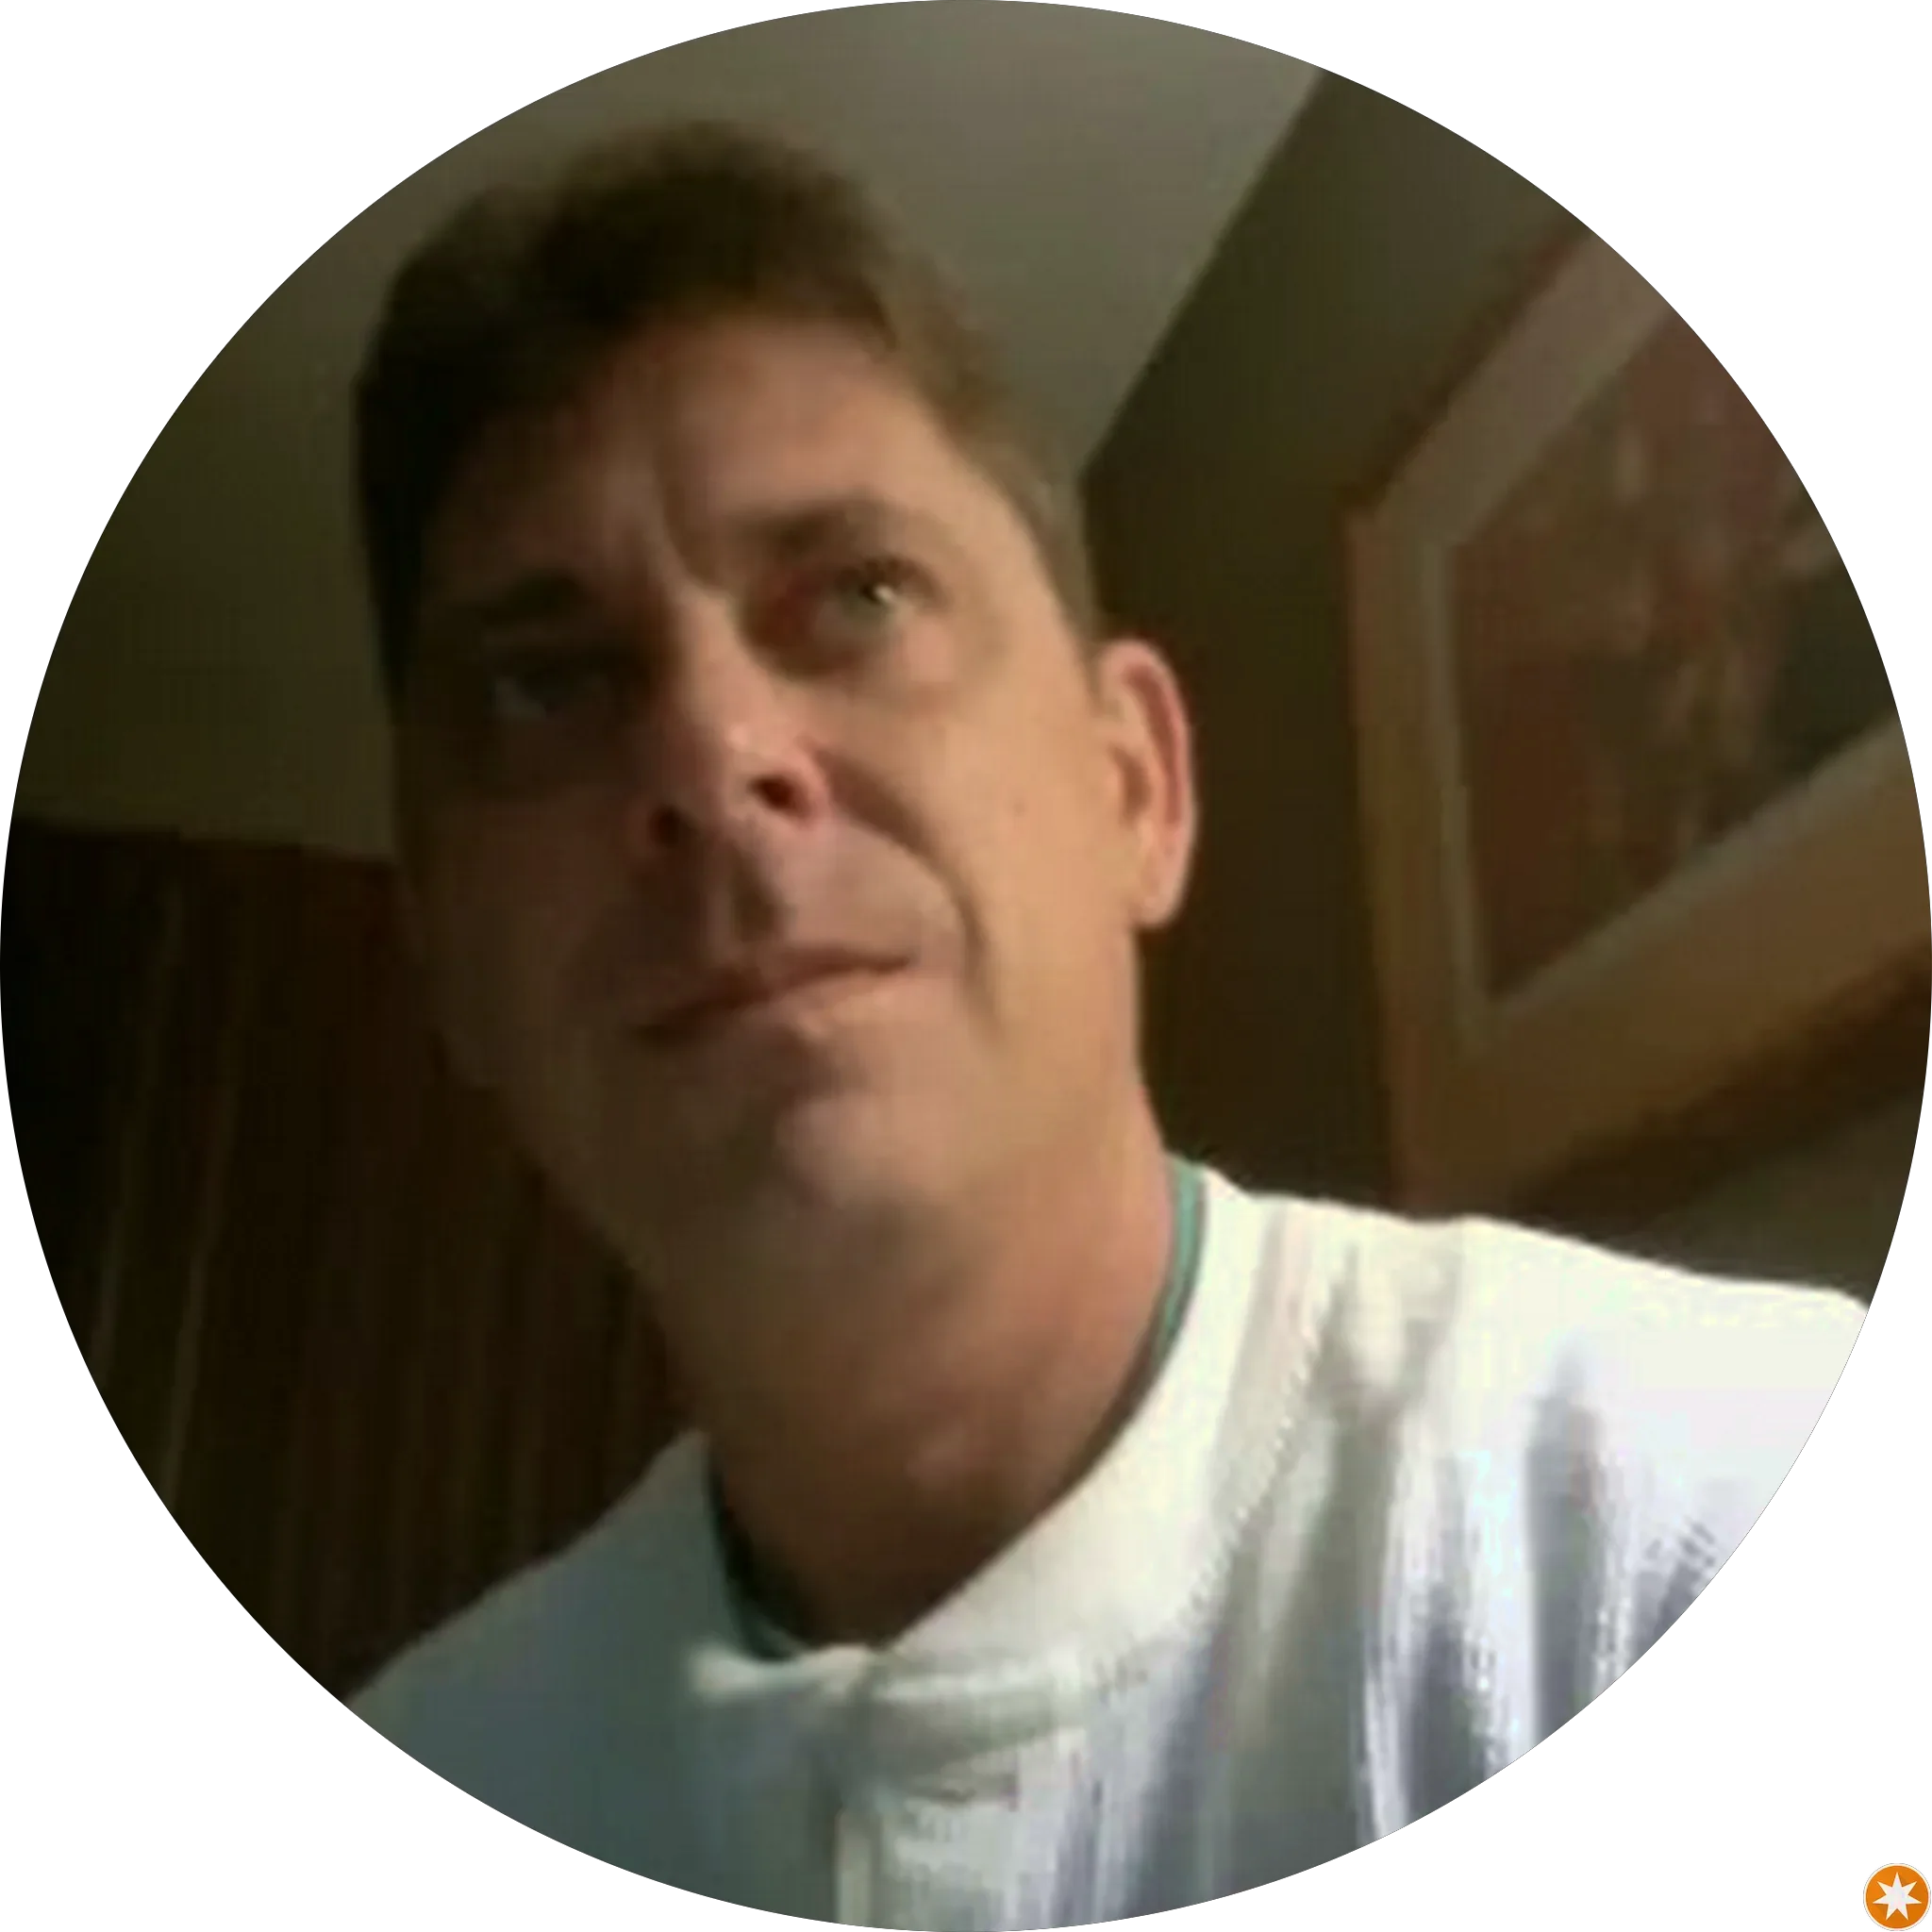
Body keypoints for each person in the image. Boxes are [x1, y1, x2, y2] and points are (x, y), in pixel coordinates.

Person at [343, 121, 1867, 1929]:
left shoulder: (1705, 1493)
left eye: (858, 595)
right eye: (548, 681)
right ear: (449, 963)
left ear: (1136, 783)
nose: (710, 753)